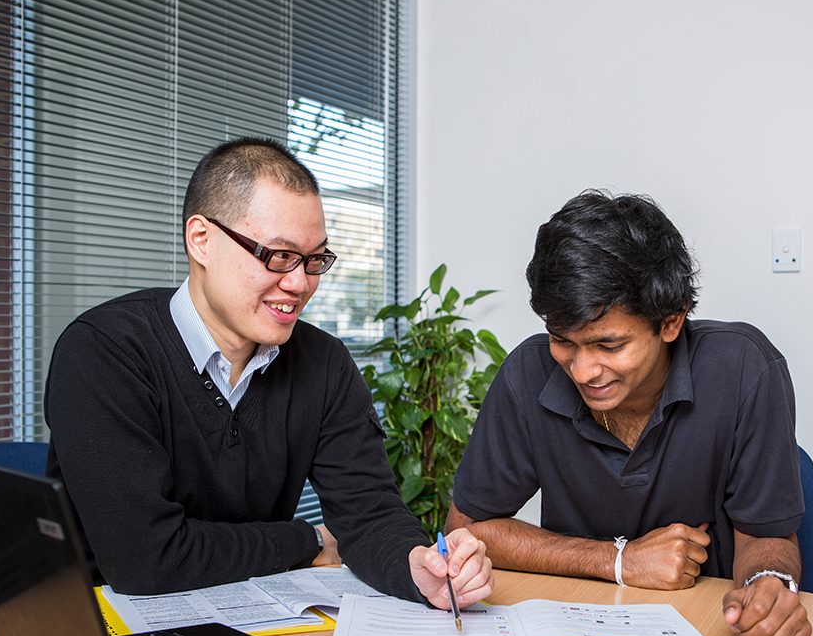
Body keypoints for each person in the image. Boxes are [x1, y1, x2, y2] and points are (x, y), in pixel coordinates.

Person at [45, 137, 492, 611]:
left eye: (314, 259)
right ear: (202, 240)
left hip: (252, 617)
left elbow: (369, 516)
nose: (299, 284)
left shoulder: (324, 364)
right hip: (108, 629)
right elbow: (146, 559)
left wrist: (418, 565)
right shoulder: (104, 350)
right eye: (278, 256)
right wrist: (307, 540)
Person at [446, 190, 811, 636]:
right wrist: (619, 561)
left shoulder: (744, 369)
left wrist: (770, 586)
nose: (581, 371)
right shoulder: (527, 372)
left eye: (609, 345)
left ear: (671, 322)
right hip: (571, 635)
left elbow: (765, 538)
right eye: (563, 341)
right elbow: (466, 530)